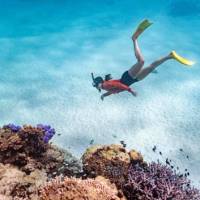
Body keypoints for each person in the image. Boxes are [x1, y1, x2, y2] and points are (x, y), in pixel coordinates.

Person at [91, 19, 194, 101]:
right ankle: (170, 56)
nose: (96, 88)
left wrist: (130, 91)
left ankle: (134, 39)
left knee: (141, 61)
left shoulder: (105, 85)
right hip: (133, 80)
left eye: (96, 86)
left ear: (98, 83)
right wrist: (104, 95)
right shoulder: (105, 87)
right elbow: (113, 91)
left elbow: (118, 85)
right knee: (151, 67)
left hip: (128, 78)